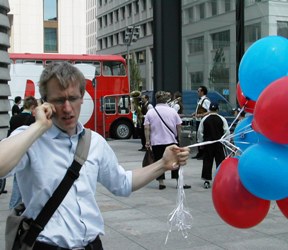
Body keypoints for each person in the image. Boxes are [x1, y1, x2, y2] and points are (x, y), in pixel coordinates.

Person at [0, 62, 190, 249]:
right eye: (59, 100)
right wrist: (39, 126)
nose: (67, 108)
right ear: (45, 102)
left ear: (82, 97)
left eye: (73, 98)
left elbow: (122, 184)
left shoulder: (95, 142)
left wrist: (163, 164)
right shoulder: (30, 137)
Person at [144, 91, 191, 190]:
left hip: (156, 141)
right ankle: (178, 182)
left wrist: (147, 141)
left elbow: (146, 128)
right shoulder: (172, 111)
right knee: (175, 161)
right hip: (171, 140)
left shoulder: (151, 112)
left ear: (156, 99)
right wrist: (179, 137)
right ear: (166, 100)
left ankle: (161, 182)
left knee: (159, 161)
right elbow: (179, 126)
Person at [8, 96, 38, 209]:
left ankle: (13, 206)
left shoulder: (13, 119)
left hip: (15, 152)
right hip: (28, 151)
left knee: (17, 181)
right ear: (32, 107)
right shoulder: (32, 120)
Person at [197, 102, 230, 189]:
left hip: (208, 143)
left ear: (209, 109)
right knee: (220, 161)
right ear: (218, 110)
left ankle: (206, 180)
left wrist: (201, 142)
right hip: (219, 143)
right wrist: (227, 142)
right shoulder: (222, 119)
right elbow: (227, 131)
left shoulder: (205, 119)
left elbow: (200, 132)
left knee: (207, 161)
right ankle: (221, 179)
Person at [192, 86, 211, 159]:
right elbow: (200, 109)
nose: (198, 92)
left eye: (198, 91)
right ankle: (199, 152)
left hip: (202, 121)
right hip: (198, 120)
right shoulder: (200, 100)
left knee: (202, 136)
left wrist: (200, 115)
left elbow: (209, 111)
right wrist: (195, 113)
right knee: (198, 137)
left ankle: (204, 153)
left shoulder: (206, 101)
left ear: (202, 92)